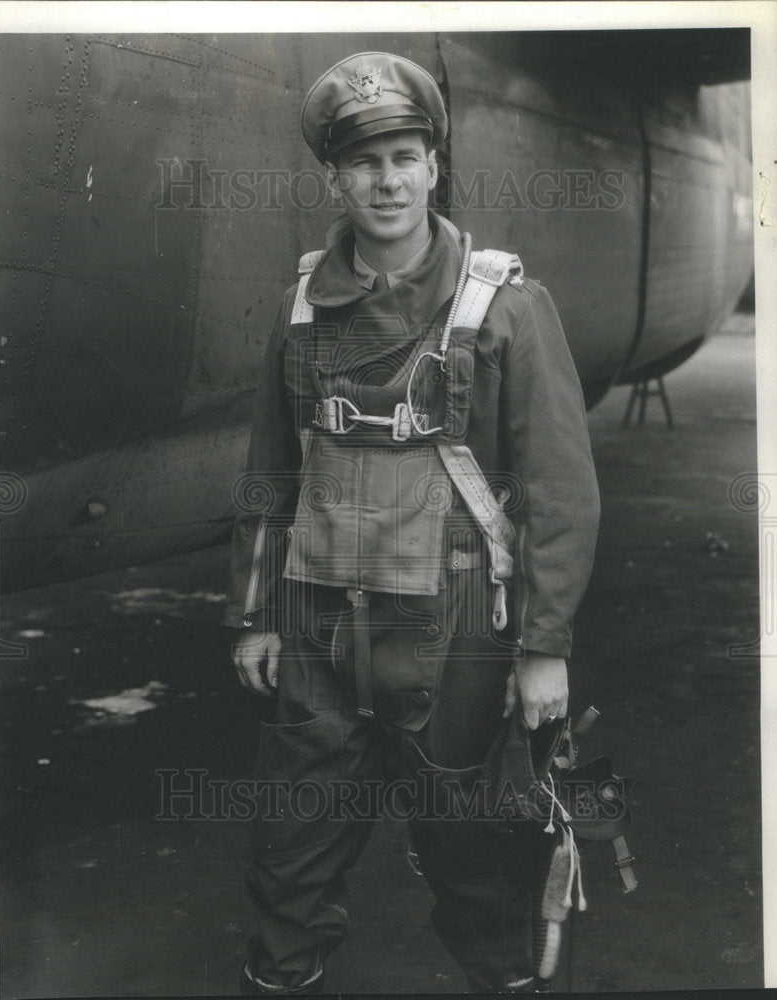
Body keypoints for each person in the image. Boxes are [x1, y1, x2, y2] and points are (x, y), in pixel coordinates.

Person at [223, 51, 600, 995]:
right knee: (291, 850)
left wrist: (543, 646)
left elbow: (561, 490)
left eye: (404, 155)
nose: (386, 180)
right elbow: (271, 471)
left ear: (434, 164)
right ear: (335, 177)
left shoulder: (507, 304)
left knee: (475, 854)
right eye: (364, 162)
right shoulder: (300, 309)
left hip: (459, 630)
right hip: (315, 626)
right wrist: (257, 612)